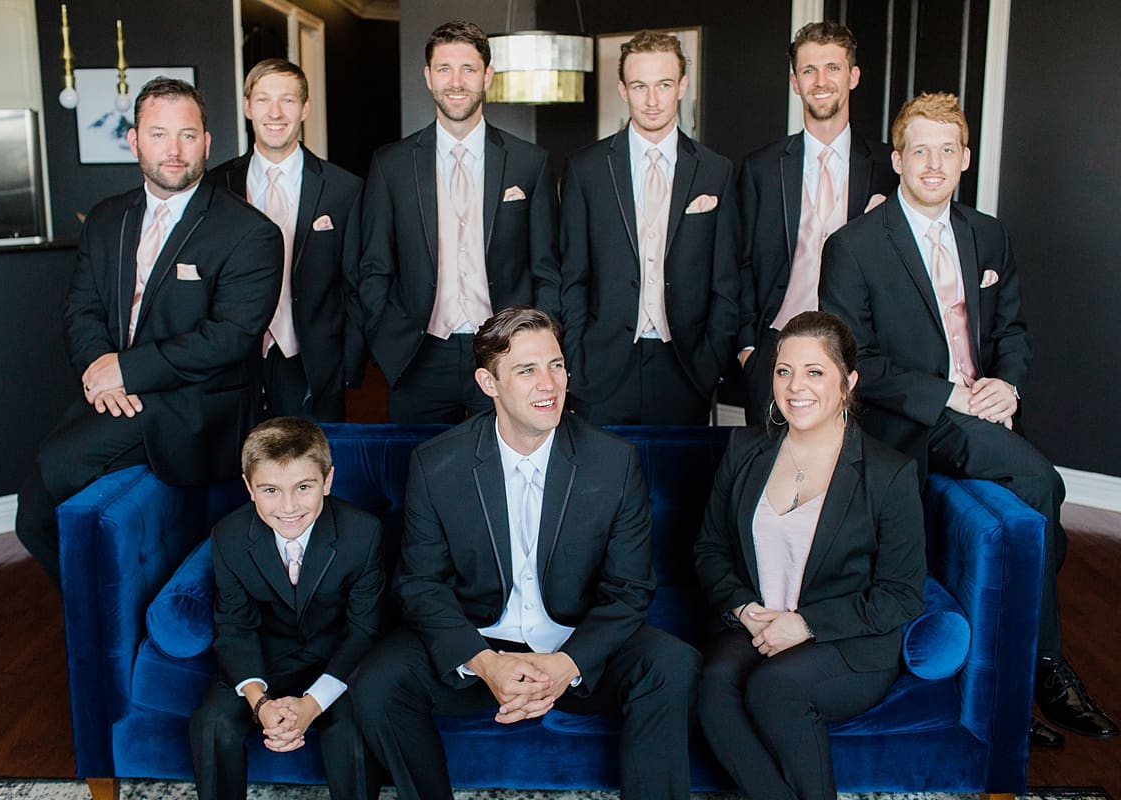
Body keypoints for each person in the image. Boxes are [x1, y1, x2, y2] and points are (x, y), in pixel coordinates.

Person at [819, 92, 1117, 745]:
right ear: (897, 159)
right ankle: (1041, 667)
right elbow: (855, 360)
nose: (933, 163)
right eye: (919, 150)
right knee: (1043, 486)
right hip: (908, 422)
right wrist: (947, 395)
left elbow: (1012, 329)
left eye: (946, 150)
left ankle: (1011, 673)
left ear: (966, 158)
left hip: (982, 414)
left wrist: (1007, 384)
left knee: (1029, 523)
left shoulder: (988, 233)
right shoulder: (854, 246)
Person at [351, 306, 700, 800]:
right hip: (482, 645)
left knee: (671, 664)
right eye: (527, 369)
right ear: (487, 382)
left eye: (556, 365)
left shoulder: (613, 462)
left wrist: (567, 665)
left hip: (576, 647)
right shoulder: (438, 464)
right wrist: (485, 662)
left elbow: (630, 590)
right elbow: (421, 585)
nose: (549, 384)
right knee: (378, 683)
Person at [15, 77, 282, 585]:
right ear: (134, 140)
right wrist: (100, 368)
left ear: (207, 141)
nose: (174, 150)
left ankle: (104, 612)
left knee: (45, 487)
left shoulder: (249, 232)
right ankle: (97, 611)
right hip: (115, 395)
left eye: (187, 135)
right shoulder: (106, 218)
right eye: (158, 134)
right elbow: (82, 308)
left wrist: (127, 370)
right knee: (35, 514)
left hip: (194, 406)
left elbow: (231, 337)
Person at [695, 310, 926, 800]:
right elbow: (709, 549)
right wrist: (743, 608)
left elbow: (901, 596)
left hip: (846, 639)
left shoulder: (889, 474)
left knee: (775, 688)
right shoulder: (743, 450)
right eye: (784, 371)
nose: (795, 386)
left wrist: (806, 624)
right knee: (713, 686)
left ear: (848, 382)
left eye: (815, 372)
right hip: (756, 624)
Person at [359, 20, 560, 423]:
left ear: (487, 75)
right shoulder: (391, 164)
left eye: (469, 69)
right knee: (416, 475)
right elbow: (374, 265)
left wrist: (535, 347)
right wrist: (385, 338)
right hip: (419, 353)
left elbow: (547, 268)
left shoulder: (529, 162)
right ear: (428, 76)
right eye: (445, 69)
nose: (456, 82)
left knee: (507, 474)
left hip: (507, 353)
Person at [190, 417, 383, 800]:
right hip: (265, 657)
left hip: (336, 661)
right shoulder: (228, 536)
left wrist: (312, 704)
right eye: (271, 490)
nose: (289, 506)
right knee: (212, 723)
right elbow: (234, 626)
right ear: (249, 488)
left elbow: (364, 629)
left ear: (327, 481)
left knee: (352, 728)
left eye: (304, 487)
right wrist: (260, 702)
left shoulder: (363, 534)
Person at [560, 30, 740, 424]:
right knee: (601, 484)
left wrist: (710, 361)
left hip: (686, 364)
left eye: (664, 85)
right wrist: (575, 359)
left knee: (681, 483)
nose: (653, 100)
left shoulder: (716, 171)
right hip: (603, 365)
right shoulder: (586, 169)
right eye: (640, 86)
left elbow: (726, 279)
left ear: (682, 86)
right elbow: (572, 276)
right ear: (623, 89)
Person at [737, 21, 897, 424]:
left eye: (832, 68)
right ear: (795, 81)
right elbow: (736, 262)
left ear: (853, 76)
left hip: (856, 348)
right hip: (775, 345)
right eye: (809, 70)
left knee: (848, 472)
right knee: (765, 467)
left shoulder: (886, 167)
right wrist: (746, 349)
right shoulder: (761, 167)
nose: (820, 80)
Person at [210, 59, 366, 421]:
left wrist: (349, 365)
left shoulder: (345, 189)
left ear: (305, 108)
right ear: (247, 106)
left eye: (288, 100)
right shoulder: (217, 186)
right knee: (237, 467)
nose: (275, 113)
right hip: (233, 363)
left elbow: (357, 285)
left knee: (309, 468)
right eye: (263, 100)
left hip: (313, 361)